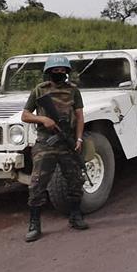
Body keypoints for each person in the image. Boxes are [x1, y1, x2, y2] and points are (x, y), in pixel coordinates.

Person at [21, 55, 88, 242]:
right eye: (55, 71)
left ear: (67, 72)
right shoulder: (39, 90)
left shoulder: (73, 90)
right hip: (45, 142)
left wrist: (79, 138)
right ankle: (34, 223)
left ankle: (75, 216)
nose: (59, 73)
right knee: (37, 185)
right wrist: (43, 119)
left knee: (75, 180)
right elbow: (25, 115)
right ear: (48, 72)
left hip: (67, 142)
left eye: (63, 71)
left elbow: (80, 116)